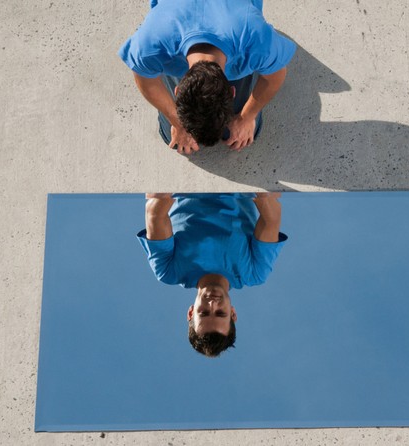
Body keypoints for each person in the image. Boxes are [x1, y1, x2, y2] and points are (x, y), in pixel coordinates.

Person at [118, 0, 296, 154]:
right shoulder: (150, 44)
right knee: (173, 135)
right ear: (231, 92)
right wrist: (177, 123)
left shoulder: (256, 40)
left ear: (178, 89)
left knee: (240, 132)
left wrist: (246, 118)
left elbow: (275, 76)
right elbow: (144, 79)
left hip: (238, 23)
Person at [138, 192, 287, 357]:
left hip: (187, 182)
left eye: (204, 312)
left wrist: (175, 185)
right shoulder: (254, 272)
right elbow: (270, 219)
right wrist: (259, 189)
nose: (212, 304)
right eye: (220, 313)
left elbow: (155, 215)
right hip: (239, 179)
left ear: (191, 312)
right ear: (232, 313)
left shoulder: (169, 271)